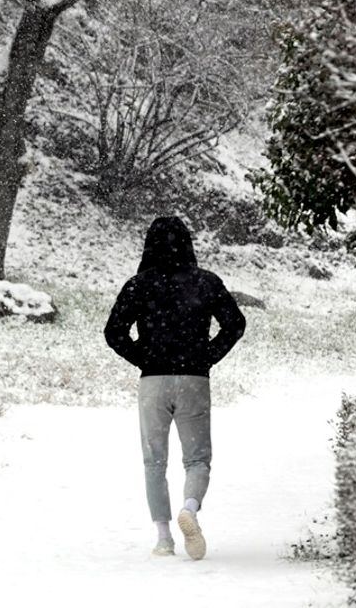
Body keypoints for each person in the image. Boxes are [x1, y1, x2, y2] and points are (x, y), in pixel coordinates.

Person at [105, 216, 246, 560]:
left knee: (154, 461)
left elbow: (114, 332)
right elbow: (235, 324)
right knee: (197, 459)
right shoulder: (206, 282)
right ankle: (190, 509)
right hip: (194, 379)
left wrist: (143, 357)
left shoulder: (138, 285)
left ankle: (164, 538)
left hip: (153, 381)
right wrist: (207, 355)